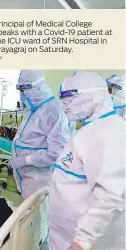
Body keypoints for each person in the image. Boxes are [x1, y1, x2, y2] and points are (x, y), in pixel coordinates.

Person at [49, 71, 125, 250]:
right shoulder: (93, 129)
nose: (65, 106)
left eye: (70, 98)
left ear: (93, 96)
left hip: (81, 242)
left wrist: (82, 242)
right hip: (67, 234)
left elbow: (108, 195)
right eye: (63, 99)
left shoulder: (109, 134)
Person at [10, 70, 69, 199]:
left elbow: (57, 153)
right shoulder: (33, 110)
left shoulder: (53, 111)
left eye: (24, 90)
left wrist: (26, 160)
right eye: (20, 91)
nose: (22, 96)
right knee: (28, 214)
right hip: (27, 177)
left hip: (40, 178)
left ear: (37, 88)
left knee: (38, 215)